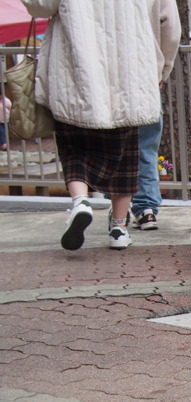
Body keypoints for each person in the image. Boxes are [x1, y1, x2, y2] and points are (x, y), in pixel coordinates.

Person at [23, 0, 180, 251]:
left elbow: (38, 6)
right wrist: (162, 68)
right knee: (126, 154)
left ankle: (81, 201)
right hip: (130, 74)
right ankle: (119, 228)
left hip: (77, 75)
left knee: (74, 148)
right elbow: (169, 23)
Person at [132, 118, 164, 230]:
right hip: (148, 103)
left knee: (116, 148)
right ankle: (146, 210)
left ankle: (117, 211)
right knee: (147, 150)